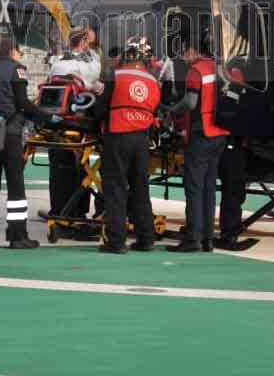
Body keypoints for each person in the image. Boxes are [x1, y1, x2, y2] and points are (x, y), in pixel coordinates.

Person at [0, 36, 61, 249]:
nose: (20, 54)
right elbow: (22, 103)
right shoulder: (16, 69)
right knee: (16, 188)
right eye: (19, 51)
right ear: (12, 50)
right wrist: (47, 117)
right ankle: (17, 236)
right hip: (10, 135)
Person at [93, 39, 161, 253]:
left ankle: (116, 241)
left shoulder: (115, 76)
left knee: (116, 188)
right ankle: (146, 238)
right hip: (141, 139)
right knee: (140, 188)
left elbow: (100, 108)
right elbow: (155, 110)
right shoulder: (152, 81)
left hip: (118, 135)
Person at [166, 32, 230, 253]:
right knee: (209, 188)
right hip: (219, 133)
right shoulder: (218, 68)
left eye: (185, 51)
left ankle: (193, 238)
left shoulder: (196, 71)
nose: (184, 57)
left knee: (194, 187)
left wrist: (172, 112)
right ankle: (208, 239)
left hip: (201, 133)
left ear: (193, 50)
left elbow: (190, 102)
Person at [46, 26, 103, 219]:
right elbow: (94, 84)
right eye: (90, 43)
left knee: (58, 169)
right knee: (79, 168)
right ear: (84, 42)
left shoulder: (58, 62)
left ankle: (58, 209)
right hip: (78, 121)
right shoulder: (87, 64)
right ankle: (77, 212)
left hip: (56, 122)